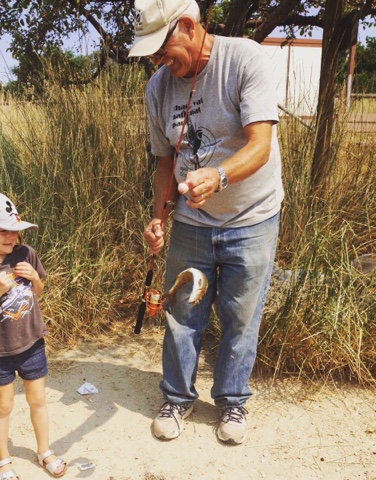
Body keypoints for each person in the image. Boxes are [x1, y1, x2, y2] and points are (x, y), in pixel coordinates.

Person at [129, 0, 284, 444]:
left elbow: (260, 145)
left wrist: (218, 177)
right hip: (192, 222)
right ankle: (177, 397)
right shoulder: (158, 88)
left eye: (162, 49)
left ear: (186, 25)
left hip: (252, 218)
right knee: (182, 312)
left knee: (241, 317)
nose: (159, 62)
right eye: (153, 55)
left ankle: (232, 402)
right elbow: (165, 161)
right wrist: (158, 217)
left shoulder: (243, 59)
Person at [0, 191, 67, 479]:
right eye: (3, 231)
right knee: (4, 405)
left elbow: (38, 292)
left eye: (15, 230)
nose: (12, 237)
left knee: (38, 400)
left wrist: (34, 278)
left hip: (32, 343)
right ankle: (2, 460)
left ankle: (44, 450)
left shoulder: (26, 254)